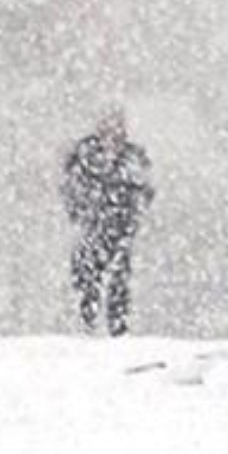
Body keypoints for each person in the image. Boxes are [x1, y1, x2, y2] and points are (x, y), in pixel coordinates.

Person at [61, 109, 154, 336]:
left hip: (121, 228)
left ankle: (117, 328)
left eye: (118, 127)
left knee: (119, 280)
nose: (113, 133)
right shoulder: (85, 156)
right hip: (92, 228)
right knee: (87, 278)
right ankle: (86, 326)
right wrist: (83, 212)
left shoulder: (132, 159)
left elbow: (145, 191)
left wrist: (132, 215)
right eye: (108, 126)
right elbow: (71, 189)